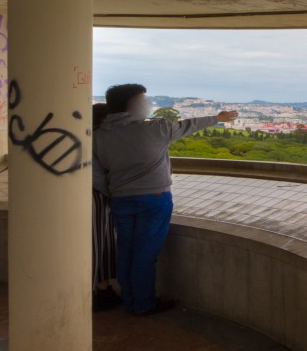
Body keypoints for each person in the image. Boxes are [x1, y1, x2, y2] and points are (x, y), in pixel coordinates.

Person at [92, 84, 238, 316]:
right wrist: (217, 118)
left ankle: (129, 299)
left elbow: (96, 175)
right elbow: (188, 126)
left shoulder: (98, 136)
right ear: (133, 104)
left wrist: (114, 191)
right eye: (144, 100)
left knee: (126, 251)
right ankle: (142, 304)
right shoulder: (156, 129)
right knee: (144, 254)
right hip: (154, 199)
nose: (148, 104)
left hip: (121, 200)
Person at [91, 103, 122, 312]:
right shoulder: (99, 139)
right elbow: (99, 176)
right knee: (100, 242)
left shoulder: (88, 138)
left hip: (95, 196)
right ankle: (100, 289)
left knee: (99, 242)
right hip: (98, 197)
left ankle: (101, 287)